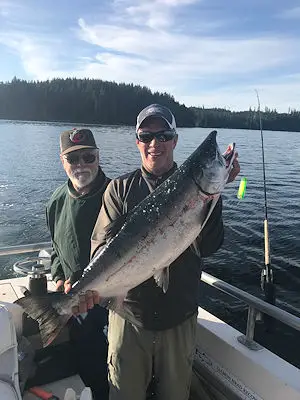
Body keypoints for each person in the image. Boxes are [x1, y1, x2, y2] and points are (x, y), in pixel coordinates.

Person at [89, 104, 240, 400]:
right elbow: (99, 250)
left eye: (163, 135)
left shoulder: (196, 187)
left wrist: (215, 194)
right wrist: (84, 291)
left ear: (175, 140)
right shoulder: (118, 190)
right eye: (146, 136)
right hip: (129, 318)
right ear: (137, 141)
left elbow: (209, 245)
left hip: (179, 317)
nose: (154, 144)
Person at [46, 128, 110, 400]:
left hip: (114, 303)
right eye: (73, 159)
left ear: (98, 157)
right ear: (62, 162)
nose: (81, 165)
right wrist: (59, 276)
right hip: (75, 303)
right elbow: (56, 249)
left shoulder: (116, 195)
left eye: (88, 157)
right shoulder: (56, 200)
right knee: (89, 365)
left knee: (118, 371)